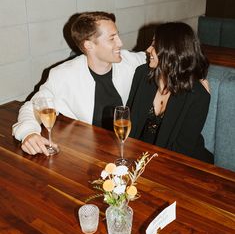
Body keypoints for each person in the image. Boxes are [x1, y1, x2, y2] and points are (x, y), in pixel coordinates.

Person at [12, 11, 145, 156]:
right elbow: (33, 106)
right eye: (112, 38)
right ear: (89, 45)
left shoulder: (130, 61)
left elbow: (161, 55)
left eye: (118, 36)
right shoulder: (64, 75)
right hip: (86, 153)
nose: (120, 43)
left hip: (129, 148)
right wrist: (28, 133)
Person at [127, 22, 214, 163]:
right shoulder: (142, 74)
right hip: (141, 155)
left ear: (172, 52)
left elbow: (181, 150)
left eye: (154, 45)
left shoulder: (198, 96)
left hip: (182, 163)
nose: (148, 49)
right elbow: (130, 124)